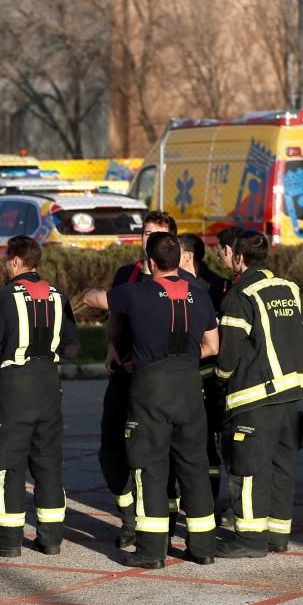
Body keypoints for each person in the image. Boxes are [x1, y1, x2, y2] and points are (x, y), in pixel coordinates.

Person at [107, 232, 219, 569]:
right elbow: (213, 346)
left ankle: (152, 551)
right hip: (188, 387)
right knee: (194, 467)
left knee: (150, 467)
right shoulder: (198, 296)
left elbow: (98, 299)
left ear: (150, 262)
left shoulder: (135, 294)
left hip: (151, 391)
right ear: (179, 260)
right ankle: (203, 547)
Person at [214, 230, 303, 558]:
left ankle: (250, 540)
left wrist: (219, 379)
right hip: (291, 394)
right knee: (281, 465)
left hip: (254, 397)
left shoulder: (240, 295)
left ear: (239, 258)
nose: (221, 256)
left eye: (224, 252)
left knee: (248, 467)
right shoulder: (290, 289)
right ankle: (277, 535)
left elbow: (229, 352)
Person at [0, 236, 78, 557]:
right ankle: (50, 540)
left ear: (18, 261)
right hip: (49, 385)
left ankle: (8, 541)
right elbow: (73, 348)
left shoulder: (4, 298)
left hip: (14, 388)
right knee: (48, 462)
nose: (6, 265)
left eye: (8, 259)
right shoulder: (58, 296)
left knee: (8, 462)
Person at [83, 211, 177, 548]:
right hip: (122, 375)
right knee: (111, 450)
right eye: (145, 232)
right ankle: (128, 517)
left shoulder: (179, 281)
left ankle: (160, 524)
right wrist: (111, 347)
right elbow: (115, 315)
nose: (147, 237)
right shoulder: (128, 273)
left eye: (156, 233)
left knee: (156, 453)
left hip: (156, 380)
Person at [179, 233, 232, 502]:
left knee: (208, 442)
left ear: (188, 255)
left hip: (208, 375)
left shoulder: (217, 287)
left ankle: (208, 501)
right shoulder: (173, 283)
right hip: (186, 374)